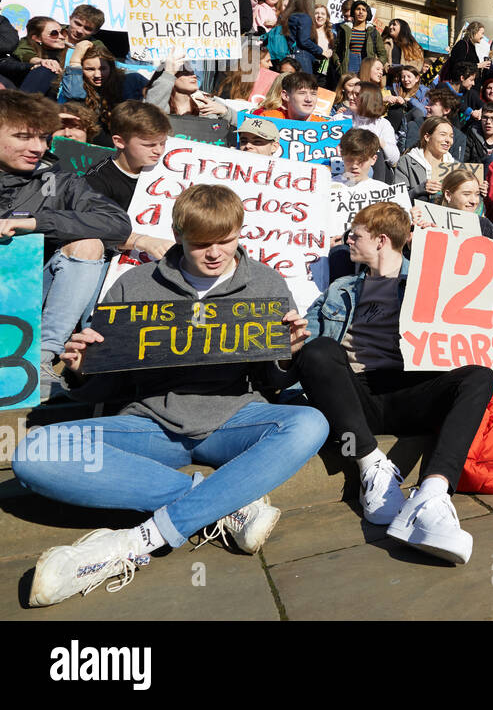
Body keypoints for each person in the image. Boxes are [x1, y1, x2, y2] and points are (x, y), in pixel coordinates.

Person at [14, 184, 329, 606]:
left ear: (241, 232)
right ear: (178, 235)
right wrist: (83, 369)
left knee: (311, 423)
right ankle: (226, 503)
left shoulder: (267, 282)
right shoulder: (135, 285)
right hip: (149, 424)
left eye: (226, 241)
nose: (215, 253)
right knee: (34, 453)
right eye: (201, 244)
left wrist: (287, 357)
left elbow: (272, 384)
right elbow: (111, 386)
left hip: (234, 419)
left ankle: (140, 539)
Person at [294, 201, 493, 562]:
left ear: (381, 240)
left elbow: (467, 336)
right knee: (319, 350)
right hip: (354, 399)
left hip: (409, 392)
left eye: (355, 235)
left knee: (480, 375)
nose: (347, 241)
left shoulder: (430, 284)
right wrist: (290, 342)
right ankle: (372, 466)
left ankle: (432, 494)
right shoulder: (341, 289)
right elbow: (307, 346)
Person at [0, 92, 132, 389]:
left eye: (44, 138)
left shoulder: (59, 180)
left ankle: (41, 359)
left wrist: (35, 224)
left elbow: (117, 223)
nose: (38, 147)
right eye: (23, 137)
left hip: (26, 301)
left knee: (89, 245)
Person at [82, 101, 174, 258]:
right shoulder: (96, 181)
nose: (158, 150)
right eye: (149, 144)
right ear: (119, 141)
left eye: (163, 143)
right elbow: (92, 231)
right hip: (114, 260)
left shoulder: (171, 165)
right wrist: (142, 241)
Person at [279, 0, 331, 78]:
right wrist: (321, 51)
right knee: (305, 87)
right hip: (301, 57)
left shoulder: (286, 16)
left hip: (287, 57)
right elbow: (304, 41)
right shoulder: (304, 17)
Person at [333, 0, 384, 77]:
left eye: (363, 10)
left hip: (366, 65)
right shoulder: (344, 29)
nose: (360, 12)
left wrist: (377, 67)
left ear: (367, 13)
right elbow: (334, 50)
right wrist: (338, 63)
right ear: (353, 12)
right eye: (358, 9)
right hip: (349, 63)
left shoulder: (373, 32)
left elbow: (382, 54)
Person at [255, 71, 325, 122]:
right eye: (302, 93)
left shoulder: (325, 127)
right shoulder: (268, 119)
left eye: (313, 94)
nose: (309, 99)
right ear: (285, 96)